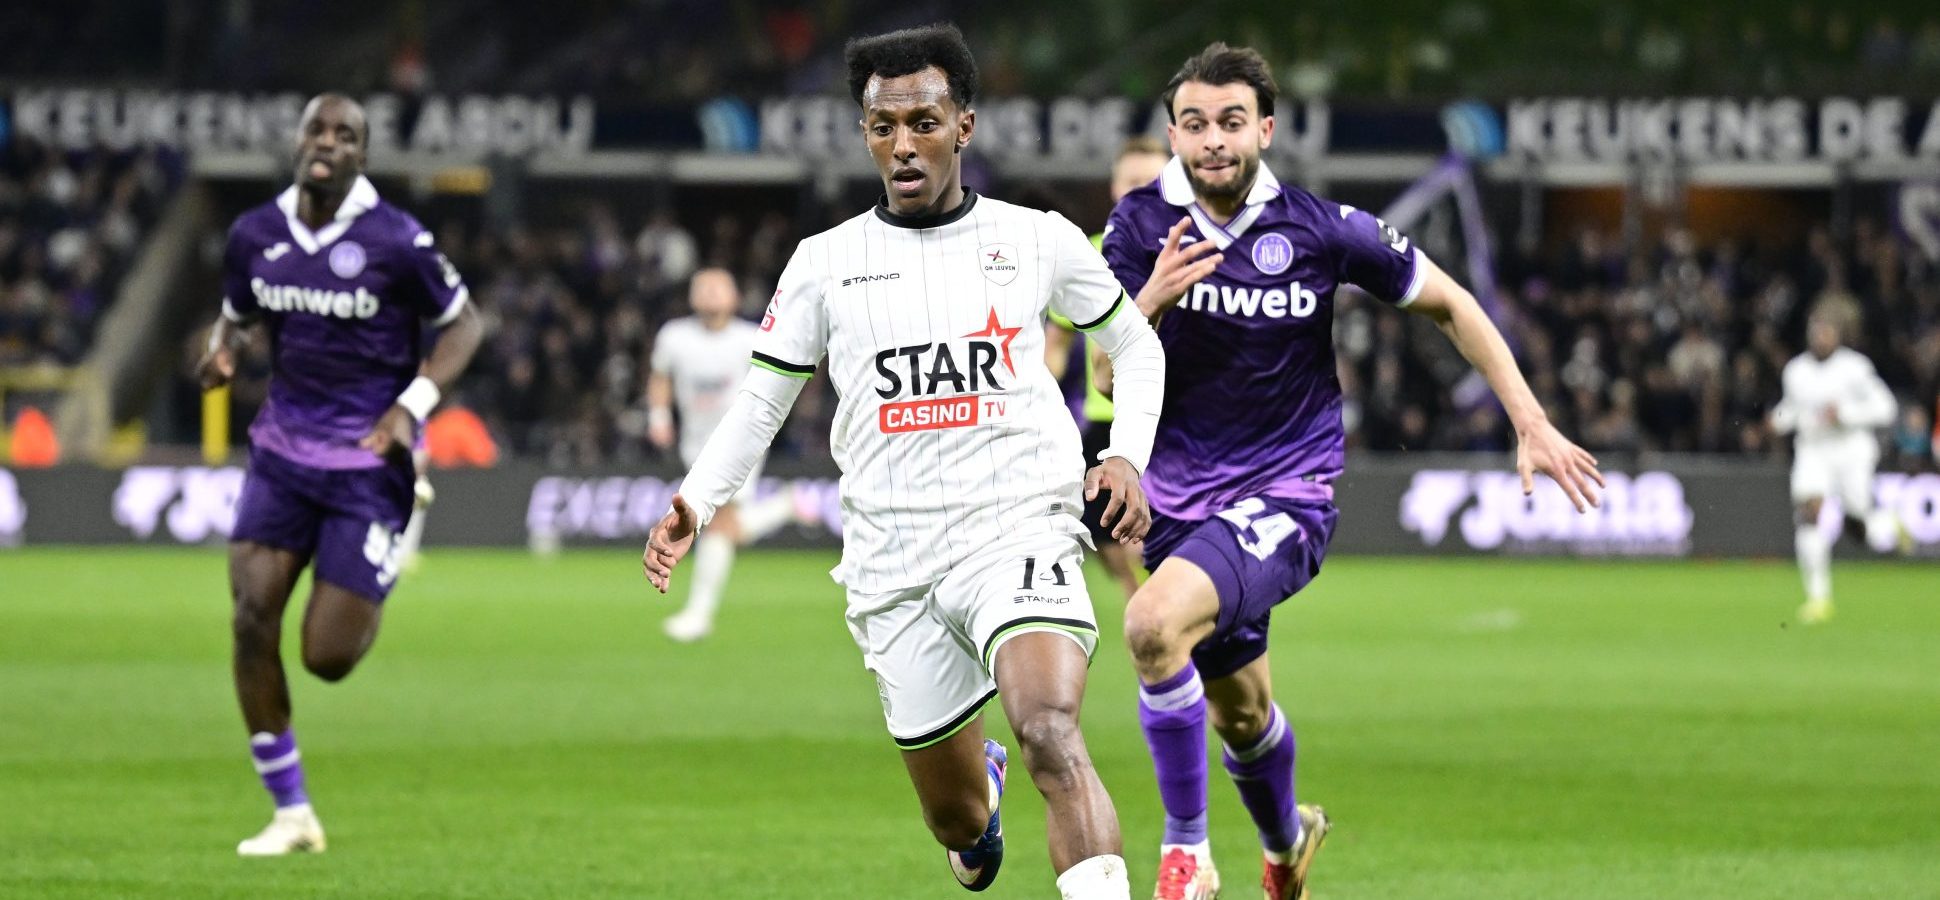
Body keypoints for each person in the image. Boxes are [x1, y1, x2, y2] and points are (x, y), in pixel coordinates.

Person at [643, 23, 1164, 900]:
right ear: (865, 134)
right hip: (894, 562)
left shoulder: (1036, 239)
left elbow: (1136, 346)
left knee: (1050, 731)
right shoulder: (825, 264)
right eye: (883, 126)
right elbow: (762, 403)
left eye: (924, 122)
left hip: (1019, 529)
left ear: (964, 126)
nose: (904, 144)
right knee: (958, 827)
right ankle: (979, 798)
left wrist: (1126, 457)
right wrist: (695, 501)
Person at [1101, 44, 1604, 900]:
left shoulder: (1320, 227)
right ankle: (1288, 841)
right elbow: (1109, 377)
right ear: (1174, 135)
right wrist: (1148, 302)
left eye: (1231, 121)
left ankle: (1186, 854)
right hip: (1179, 504)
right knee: (1240, 712)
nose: (1214, 139)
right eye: (1195, 123)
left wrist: (1530, 420)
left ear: (1264, 129)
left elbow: (1451, 302)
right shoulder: (1138, 228)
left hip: (1285, 494)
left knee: (1151, 625)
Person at [197, 94, 484, 856]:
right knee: (250, 618)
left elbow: (465, 323)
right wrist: (223, 351)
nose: (327, 142)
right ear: (298, 142)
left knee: (325, 657)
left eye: (345, 135)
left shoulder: (397, 239)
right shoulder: (254, 233)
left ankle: (384, 541)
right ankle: (291, 813)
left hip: (366, 462)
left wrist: (410, 408)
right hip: (282, 456)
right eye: (317, 130)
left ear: (363, 154)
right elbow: (236, 314)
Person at [1045, 136, 1171, 603]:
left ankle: (1164, 598)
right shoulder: (1089, 255)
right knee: (1099, 521)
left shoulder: (1194, 250)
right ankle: (1140, 596)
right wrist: (1039, 401)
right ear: (1115, 188)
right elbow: (1056, 342)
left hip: (1180, 419)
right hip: (1106, 416)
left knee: (1169, 524)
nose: (1140, 191)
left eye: (1151, 182)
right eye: (1132, 182)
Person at [648, 267, 804, 642]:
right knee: (726, 526)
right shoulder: (673, 336)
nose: (711, 293)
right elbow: (660, 377)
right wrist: (658, 417)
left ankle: (699, 614)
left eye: (719, 287)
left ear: (735, 297)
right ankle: (783, 507)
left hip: (738, 443)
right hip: (694, 443)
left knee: (718, 523)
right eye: (703, 287)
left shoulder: (752, 337)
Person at [1770, 304, 1900, 624]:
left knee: (1857, 524)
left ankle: (1886, 524)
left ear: (1838, 336)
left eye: (1826, 332)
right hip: (1813, 450)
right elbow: (1792, 409)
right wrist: (1776, 420)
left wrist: (1844, 414)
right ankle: (1818, 598)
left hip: (1851, 450)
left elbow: (1887, 408)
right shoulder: (1796, 370)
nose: (1821, 338)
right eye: (1816, 332)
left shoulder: (1855, 368)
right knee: (1808, 513)